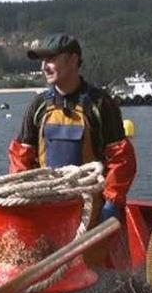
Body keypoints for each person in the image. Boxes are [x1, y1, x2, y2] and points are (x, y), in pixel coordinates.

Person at [8, 33, 136, 227]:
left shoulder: (100, 104)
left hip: (91, 213)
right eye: (42, 61)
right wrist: (24, 197)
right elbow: (21, 158)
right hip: (47, 209)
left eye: (50, 59)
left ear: (73, 60)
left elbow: (121, 159)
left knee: (90, 258)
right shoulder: (38, 105)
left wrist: (112, 202)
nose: (44, 66)